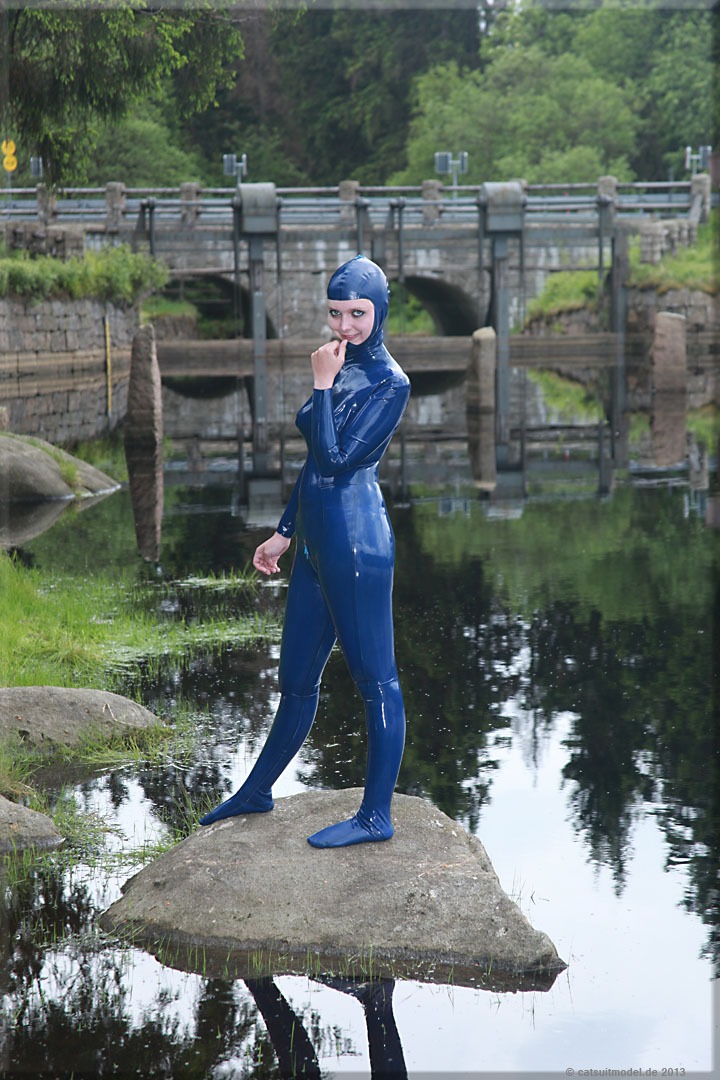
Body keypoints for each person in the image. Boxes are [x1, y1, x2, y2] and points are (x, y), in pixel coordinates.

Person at [199, 255, 411, 848]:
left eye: (357, 314)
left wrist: (320, 384)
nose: (344, 325)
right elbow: (314, 462)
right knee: (295, 678)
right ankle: (257, 790)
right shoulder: (340, 364)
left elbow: (338, 460)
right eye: (335, 313)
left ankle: (376, 815)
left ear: (380, 311)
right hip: (317, 542)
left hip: (358, 542)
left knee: (376, 680)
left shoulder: (390, 382)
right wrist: (285, 531)